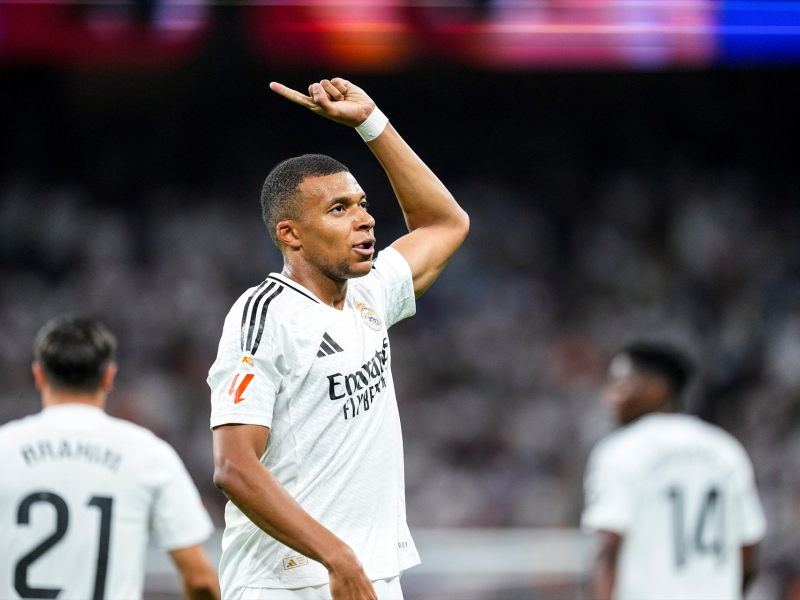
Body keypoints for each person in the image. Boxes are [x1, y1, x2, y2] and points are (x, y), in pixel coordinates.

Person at [208, 77, 469, 600]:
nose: (366, 220)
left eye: (363, 204)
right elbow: (234, 467)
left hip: (362, 576)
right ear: (290, 234)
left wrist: (372, 124)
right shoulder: (264, 315)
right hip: (287, 582)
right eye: (339, 209)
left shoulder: (369, 293)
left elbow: (446, 223)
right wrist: (335, 554)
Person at [0, 315, 220, 600]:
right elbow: (200, 578)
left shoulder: (5, 447)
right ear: (109, 376)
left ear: (39, 374)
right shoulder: (148, 455)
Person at [582, 343, 767, 600]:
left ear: (657, 388)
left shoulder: (620, 450)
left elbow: (609, 549)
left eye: (621, 383)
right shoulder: (726, 450)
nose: (610, 395)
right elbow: (748, 550)